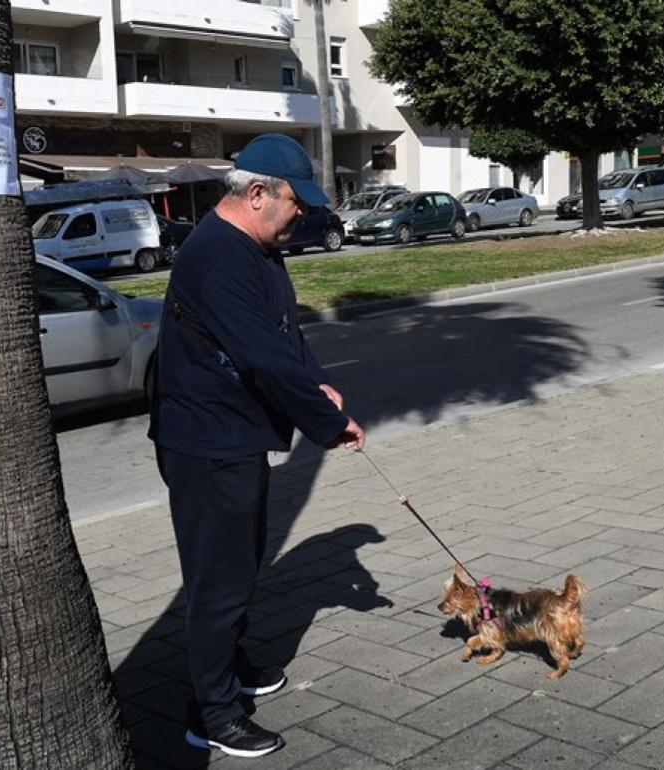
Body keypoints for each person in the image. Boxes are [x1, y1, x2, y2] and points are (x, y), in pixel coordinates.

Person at [148, 133, 366, 759]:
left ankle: (231, 665)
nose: (304, 215)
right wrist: (329, 426)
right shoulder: (219, 259)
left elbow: (285, 336)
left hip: (234, 434)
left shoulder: (255, 249)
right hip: (206, 441)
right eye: (298, 202)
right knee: (218, 580)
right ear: (257, 194)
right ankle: (211, 713)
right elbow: (263, 357)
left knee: (238, 566)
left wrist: (317, 379)